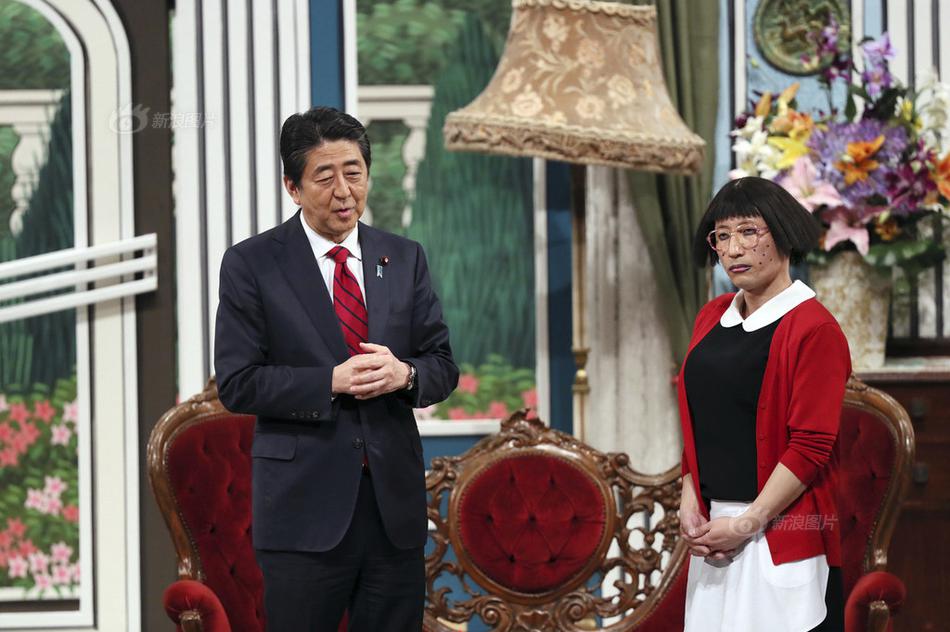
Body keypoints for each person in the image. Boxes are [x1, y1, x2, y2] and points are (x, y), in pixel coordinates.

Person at [214, 106, 459, 631]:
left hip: (392, 508)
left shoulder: (404, 257)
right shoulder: (252, 264)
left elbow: (442, 365)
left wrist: (405, 375)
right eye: (325, 177)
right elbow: (237, 383)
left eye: (355, 172)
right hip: (303, 508)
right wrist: (330, 381)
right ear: (292, 187)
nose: (344, 190)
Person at [676, 176, 850, 632]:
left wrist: (748, 522)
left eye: (749, 232)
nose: (733, 249)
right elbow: (701, 421)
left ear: (783, 232)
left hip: (779, 530)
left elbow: (811, 446)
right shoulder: (711, 317)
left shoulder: (814, 328)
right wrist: (689, 498)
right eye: (722, 236)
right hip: (715, 532)